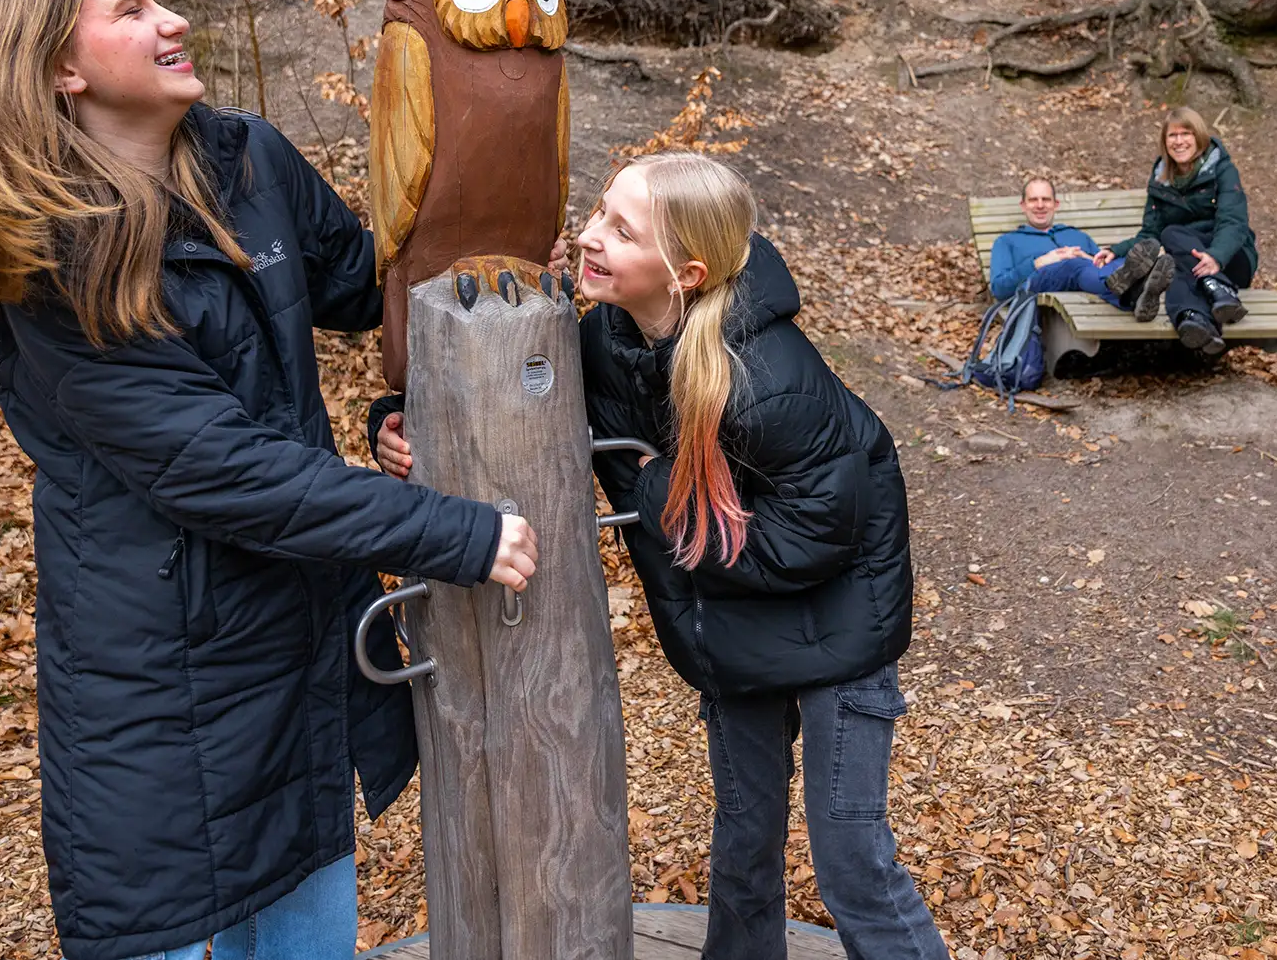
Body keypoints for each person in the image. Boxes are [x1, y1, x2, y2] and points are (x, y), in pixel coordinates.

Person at [0, 0, 539, 960]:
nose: (171, 18)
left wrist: (496, 255)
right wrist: (453, 531)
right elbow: (223, 468)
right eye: (131, 9)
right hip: (159, 692)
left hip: (298, 649)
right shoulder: (51, 261)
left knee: (306, 931)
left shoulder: (247, 159)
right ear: (60, 67)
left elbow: (370, 291)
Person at [376, 153, 947, 960]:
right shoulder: (609, 339)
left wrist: (650, 491)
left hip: (840, 626)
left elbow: (808, 538)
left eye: (621, 230)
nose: (590, 238)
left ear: (685, 272)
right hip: (737, 621)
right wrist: (398, 420)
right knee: (746, 836)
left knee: (849, 851)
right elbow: (507, 380)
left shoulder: (767, 377)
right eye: (600, 212)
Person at [1103, 105, 1260, 358]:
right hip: (1194, 267)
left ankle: (1217, 287)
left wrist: (1216, 257)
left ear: (1198, 136)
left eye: (1185, 134)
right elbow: (1150, 234)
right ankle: (1196, 321)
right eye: (1172, 136)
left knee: (1173, 236)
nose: (1179, 141)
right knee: (1172, 260)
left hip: (1231, 259)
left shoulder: (1222, 169)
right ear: (1164, 143)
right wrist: (1116, 250)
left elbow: (1234, 222)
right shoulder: (1160, 179)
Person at [986, 175, 1171, 320]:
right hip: (1040, 282)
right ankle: (1135, 288)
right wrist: (1039, 262)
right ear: (1023, 205)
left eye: (1046, 199)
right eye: (1033, 200)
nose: (1040, 205)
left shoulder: (1076, 235)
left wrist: (1087, 257)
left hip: (1084, 278)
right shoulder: (1007, 241)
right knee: (1074, 265)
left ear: (1055, 204)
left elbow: (1098, 266)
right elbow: (999, 288)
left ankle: (1134, 296)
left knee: (1118, 262)